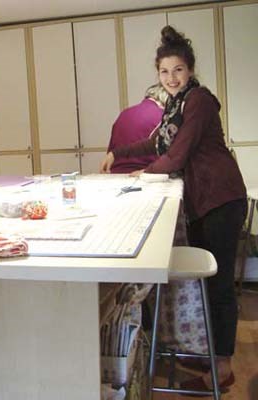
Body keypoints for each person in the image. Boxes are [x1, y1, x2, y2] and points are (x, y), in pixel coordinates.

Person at [100, 26, 247, 392]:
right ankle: (210, 357)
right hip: (203, 202)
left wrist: (143, 173)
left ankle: (223, 368)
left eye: (178, 70)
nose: (171, 78)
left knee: (220, 285)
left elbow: (177, 154)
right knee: (212, 286)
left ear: (191, 70)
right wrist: (117, 153)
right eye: (164, 72)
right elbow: (155, 141)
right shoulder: (175, 106)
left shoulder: (198, 100)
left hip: (221, 198)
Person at [107, 83, 168, 173]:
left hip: (115, 173)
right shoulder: (163, 116)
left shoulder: (124, 114)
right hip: (145, 174)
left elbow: (112, 147)